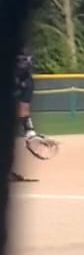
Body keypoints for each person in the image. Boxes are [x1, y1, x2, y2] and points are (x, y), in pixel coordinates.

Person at [12, 46, 36, 183]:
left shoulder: (28, 82)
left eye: (29, 60)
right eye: (25, 59)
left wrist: (29, 130)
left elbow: (24, 108)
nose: (28, 63)